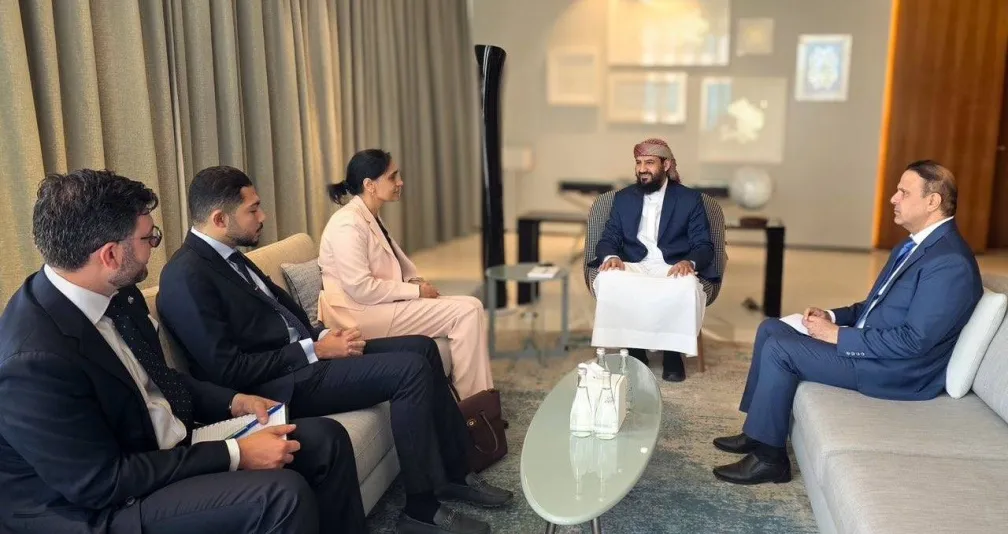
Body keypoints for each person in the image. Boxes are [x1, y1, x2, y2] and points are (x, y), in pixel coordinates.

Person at [0, 169, 366, 534]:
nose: (154, 248)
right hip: (98, 507)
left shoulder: (118, 293)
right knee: (281, 495)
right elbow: (101, 481)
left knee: (325, 440)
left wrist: (234, 401)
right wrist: (236, 454)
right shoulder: (33, 359)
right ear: (110, 255)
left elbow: (159, 378)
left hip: (159, 450)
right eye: (149, 238)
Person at [156, 165, 511, 534]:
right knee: (410, 371)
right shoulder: (186, 276)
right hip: (279, 385)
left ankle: (453, 472)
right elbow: (228, 371)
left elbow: (280, 319)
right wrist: (314, 350)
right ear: (219, 218)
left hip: (304, 359)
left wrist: (324, 335)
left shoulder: (230, 256)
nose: (263, 217)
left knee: (422, 348)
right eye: (253, 209)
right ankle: (420, 509)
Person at [712, 160, 983, 485]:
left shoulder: (949, 262)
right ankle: (757, 432)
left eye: (903, 192)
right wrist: (832, 317)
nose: (893, 198)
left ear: (932, 201)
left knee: (781, 349)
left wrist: (838, 336)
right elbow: (874, 306)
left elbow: (914, 341)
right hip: (876, 347)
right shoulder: (912, 245)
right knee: (771, 327)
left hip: (897, 371)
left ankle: (770, 460)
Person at [318, 148, 494, 399]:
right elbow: (360, 287)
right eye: (392, 177)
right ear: (369, 185)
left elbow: (387, 269)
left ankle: (476, 401)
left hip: (376, 307)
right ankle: (474, 405)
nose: (400, 182)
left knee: (472, 306)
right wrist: (416, 291)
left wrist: (415, 282)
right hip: (357, 315)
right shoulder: (347, 224)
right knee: (466, 312)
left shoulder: (369, 217)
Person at [588, 138, 718, 382]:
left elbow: (703, 245)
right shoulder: (624, 198)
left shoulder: (689, 199)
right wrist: (612, 257)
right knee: (609, 279)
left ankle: (672, 354)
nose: (642, 169)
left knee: (686, 285)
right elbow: (609, 237)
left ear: (666, 165)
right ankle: (635, 351)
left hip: (671, 266)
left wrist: (689, 262)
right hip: (633, 263)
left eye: (649, 162)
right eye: (638, 163)